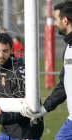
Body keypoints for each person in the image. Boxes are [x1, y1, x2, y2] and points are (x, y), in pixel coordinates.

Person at [22, 1, 72, 140]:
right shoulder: (68, 49)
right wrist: (43, 110)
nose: (55, 23)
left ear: (65, 20)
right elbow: (63, 85)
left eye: (56, 19)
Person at [0, 33, 44, 140]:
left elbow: (29, 107)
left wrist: (3, 118)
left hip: (26, 132)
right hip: (6, 132)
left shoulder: (21, 71)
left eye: (5, 51)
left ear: (12, 50)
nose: (1, 55)